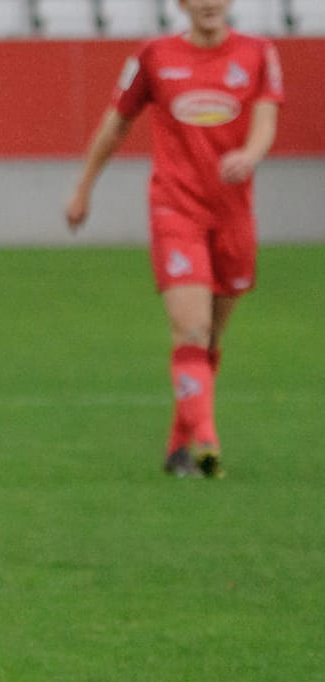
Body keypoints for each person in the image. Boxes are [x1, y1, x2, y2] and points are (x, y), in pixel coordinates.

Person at [65, 0, 283, 479]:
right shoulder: (154, 56)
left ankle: (178, 446)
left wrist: (249, 154)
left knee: (209, 342)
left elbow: (266, 119)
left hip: (233, 217)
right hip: (175, 210)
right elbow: (116, 122)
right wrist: (84, 187)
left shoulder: (258, 53)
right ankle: (207, 439)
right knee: (191, 331)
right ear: (181, 4)